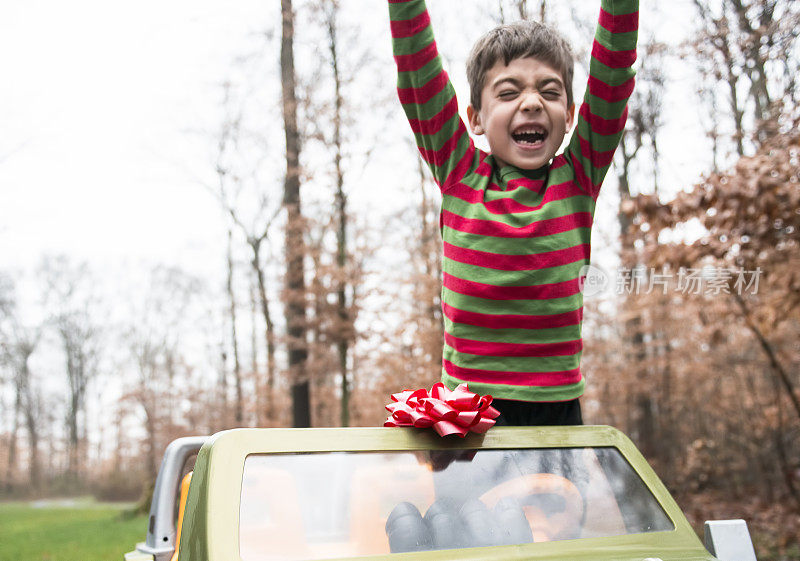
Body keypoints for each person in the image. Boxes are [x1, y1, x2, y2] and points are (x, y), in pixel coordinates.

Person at [388, 0, 639, 426]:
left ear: (571, 115)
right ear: (476, 118)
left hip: (555, 409)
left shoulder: (578, 177)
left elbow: (613, 72)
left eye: (550, 90)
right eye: (508, 92)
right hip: (468, 407)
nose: (532, 102)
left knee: (555, 495)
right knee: (466, 497)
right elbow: (418, 67)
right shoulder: (459, 173)